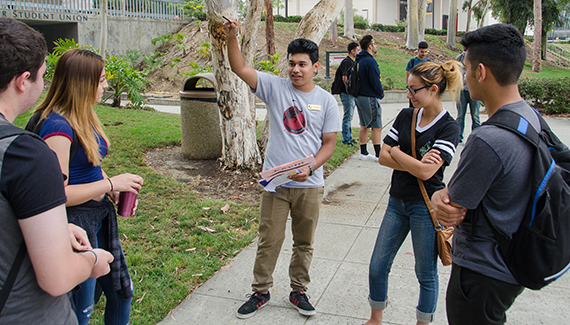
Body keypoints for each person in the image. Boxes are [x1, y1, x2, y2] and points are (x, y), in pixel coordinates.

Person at [224, 18, 341, 319]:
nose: (296, 70)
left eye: (302, 64)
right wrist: (232, 37)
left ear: (316, 67)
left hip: (309, 185)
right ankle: (260, 291)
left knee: (304, 242)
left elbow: (329, 144)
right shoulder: (275, 88)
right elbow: (240, 69)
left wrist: (312, 167)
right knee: (269, 240)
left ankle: (298, 290)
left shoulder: (326, 102)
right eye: (292, 64)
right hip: (276, 185)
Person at [0, 17, 113, 324]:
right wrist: (91, 260)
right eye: (42, 75)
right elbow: (57, 276)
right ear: (24, 80)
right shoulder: (26, 153)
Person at [31, 48, 144, 325]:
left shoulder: (81, 116)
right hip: (75, 227)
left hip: (98, 219)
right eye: (102, 79)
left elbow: (89, 165)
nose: (105, 86)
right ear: (83, 83)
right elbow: (56, 196)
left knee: (121, 293)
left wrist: (110, 189)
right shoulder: (57, 128)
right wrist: (108, 183)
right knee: (82, 308)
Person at [431, 24, 532, 325]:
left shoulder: (488, 138)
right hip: (512, 263)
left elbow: (451, 206)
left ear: (482, 72)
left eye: (466, 68)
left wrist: (438, 194)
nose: (463, 76)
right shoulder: (529, 117)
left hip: (482, 271)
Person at [365, 60, 462, 325]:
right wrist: (410, 160)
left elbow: (426, 174)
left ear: (432, 89)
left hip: (426, 207)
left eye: (413, 90)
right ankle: (375, 319)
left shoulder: (449, 128)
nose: (409, 95)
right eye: (408, 90)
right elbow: (383, 156)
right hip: (397, 202)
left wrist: (397, 151)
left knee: (425, 273)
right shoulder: (407, 116)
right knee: (377, 265)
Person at [355, 35, 385, 161]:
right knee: (376, 125)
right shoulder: (370, 61)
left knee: (364, 125)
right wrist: (381, 93)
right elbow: (375, 80)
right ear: (370, 46)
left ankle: (364, 152)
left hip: (359, 96)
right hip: (369, 96)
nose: (376, 45)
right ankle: (379, 154)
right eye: (375, 43)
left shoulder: (359, 60)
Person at [331, 41, 360, 146]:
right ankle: (346, 139)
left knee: (350, 115)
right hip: (346, 93)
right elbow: (345, 77)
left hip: (350, 94)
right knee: (348, 116)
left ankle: (349, 137)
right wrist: (350, 89)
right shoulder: (347, 62)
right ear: (352, 51)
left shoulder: (352, 62)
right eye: (357, 50)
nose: (358, 52)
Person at [455, 50, 480, 143]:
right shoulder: (459, 58)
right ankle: (458, 137)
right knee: (460, 115)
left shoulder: (477, 57)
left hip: (474, 90)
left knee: (475, 116)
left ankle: (476, 137)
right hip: (461, 90)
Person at [406, 41, 431, 108]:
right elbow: (408, 76)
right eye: (422, 52)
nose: (424, 54)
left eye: (425, 52)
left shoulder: (429, 62)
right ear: (418, 50)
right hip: (414, 91)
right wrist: (410, 89)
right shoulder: (412, 62)